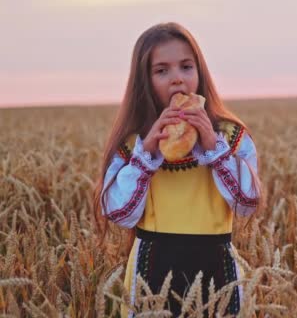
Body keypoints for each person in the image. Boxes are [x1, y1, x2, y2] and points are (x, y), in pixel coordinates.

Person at [91, 22, 264, 317]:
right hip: (151, 273)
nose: (177, 80)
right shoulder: (135, 144)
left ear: (200, 73)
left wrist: (213, 148)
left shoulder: (230, 137)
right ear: (144, 81)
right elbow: (119, 213)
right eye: (162, 71)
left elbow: (247, 204)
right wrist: (146, 154)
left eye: (186, 67)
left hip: (217, 272)